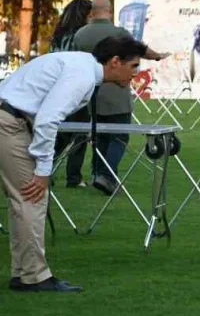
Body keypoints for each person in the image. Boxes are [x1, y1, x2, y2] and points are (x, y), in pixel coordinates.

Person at [0, 35, 149, 293]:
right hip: (10, 123)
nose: (135, 73)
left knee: (23, 200)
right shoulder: (82, 76)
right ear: (115, 62)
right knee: (32, 197)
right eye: (134, 66)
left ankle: (24, 273)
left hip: (11, 119)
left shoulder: (81, 67)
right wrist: (44, 170)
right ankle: (34, 277)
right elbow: (48, 120)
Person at [72, 0, 168, 196]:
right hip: (117, 91)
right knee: (120, 138)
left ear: (92, 12)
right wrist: (158, 56)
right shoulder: (118, 33)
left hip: (92, 93)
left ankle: (98, 174)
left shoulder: (80, 34)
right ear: (109, 10)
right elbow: (140, 50)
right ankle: (107, 176)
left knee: (100, 138)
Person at [50, 0, 94, 189]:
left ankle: (45, 169)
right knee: (79, 133)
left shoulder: (59, 35)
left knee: (60, 134)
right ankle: (73, 177)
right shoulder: (80, 37)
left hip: (57, 87)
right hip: (75, 89)